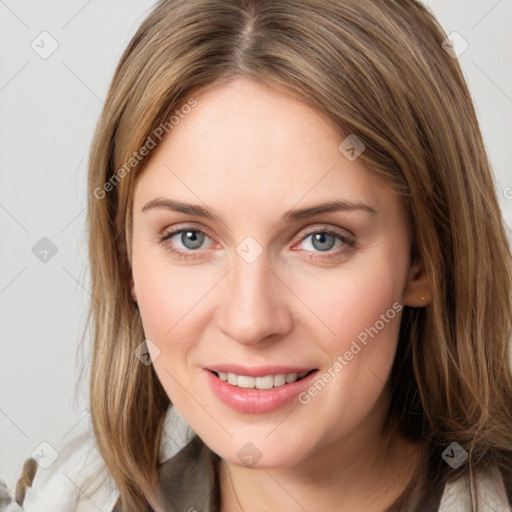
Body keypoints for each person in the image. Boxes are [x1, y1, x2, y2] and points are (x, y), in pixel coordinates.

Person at [6, 0, 512, 511]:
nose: (250, 322)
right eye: (190, 238)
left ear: (424, 258)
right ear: (126, 258)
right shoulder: (54, 497)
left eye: (322, 239)